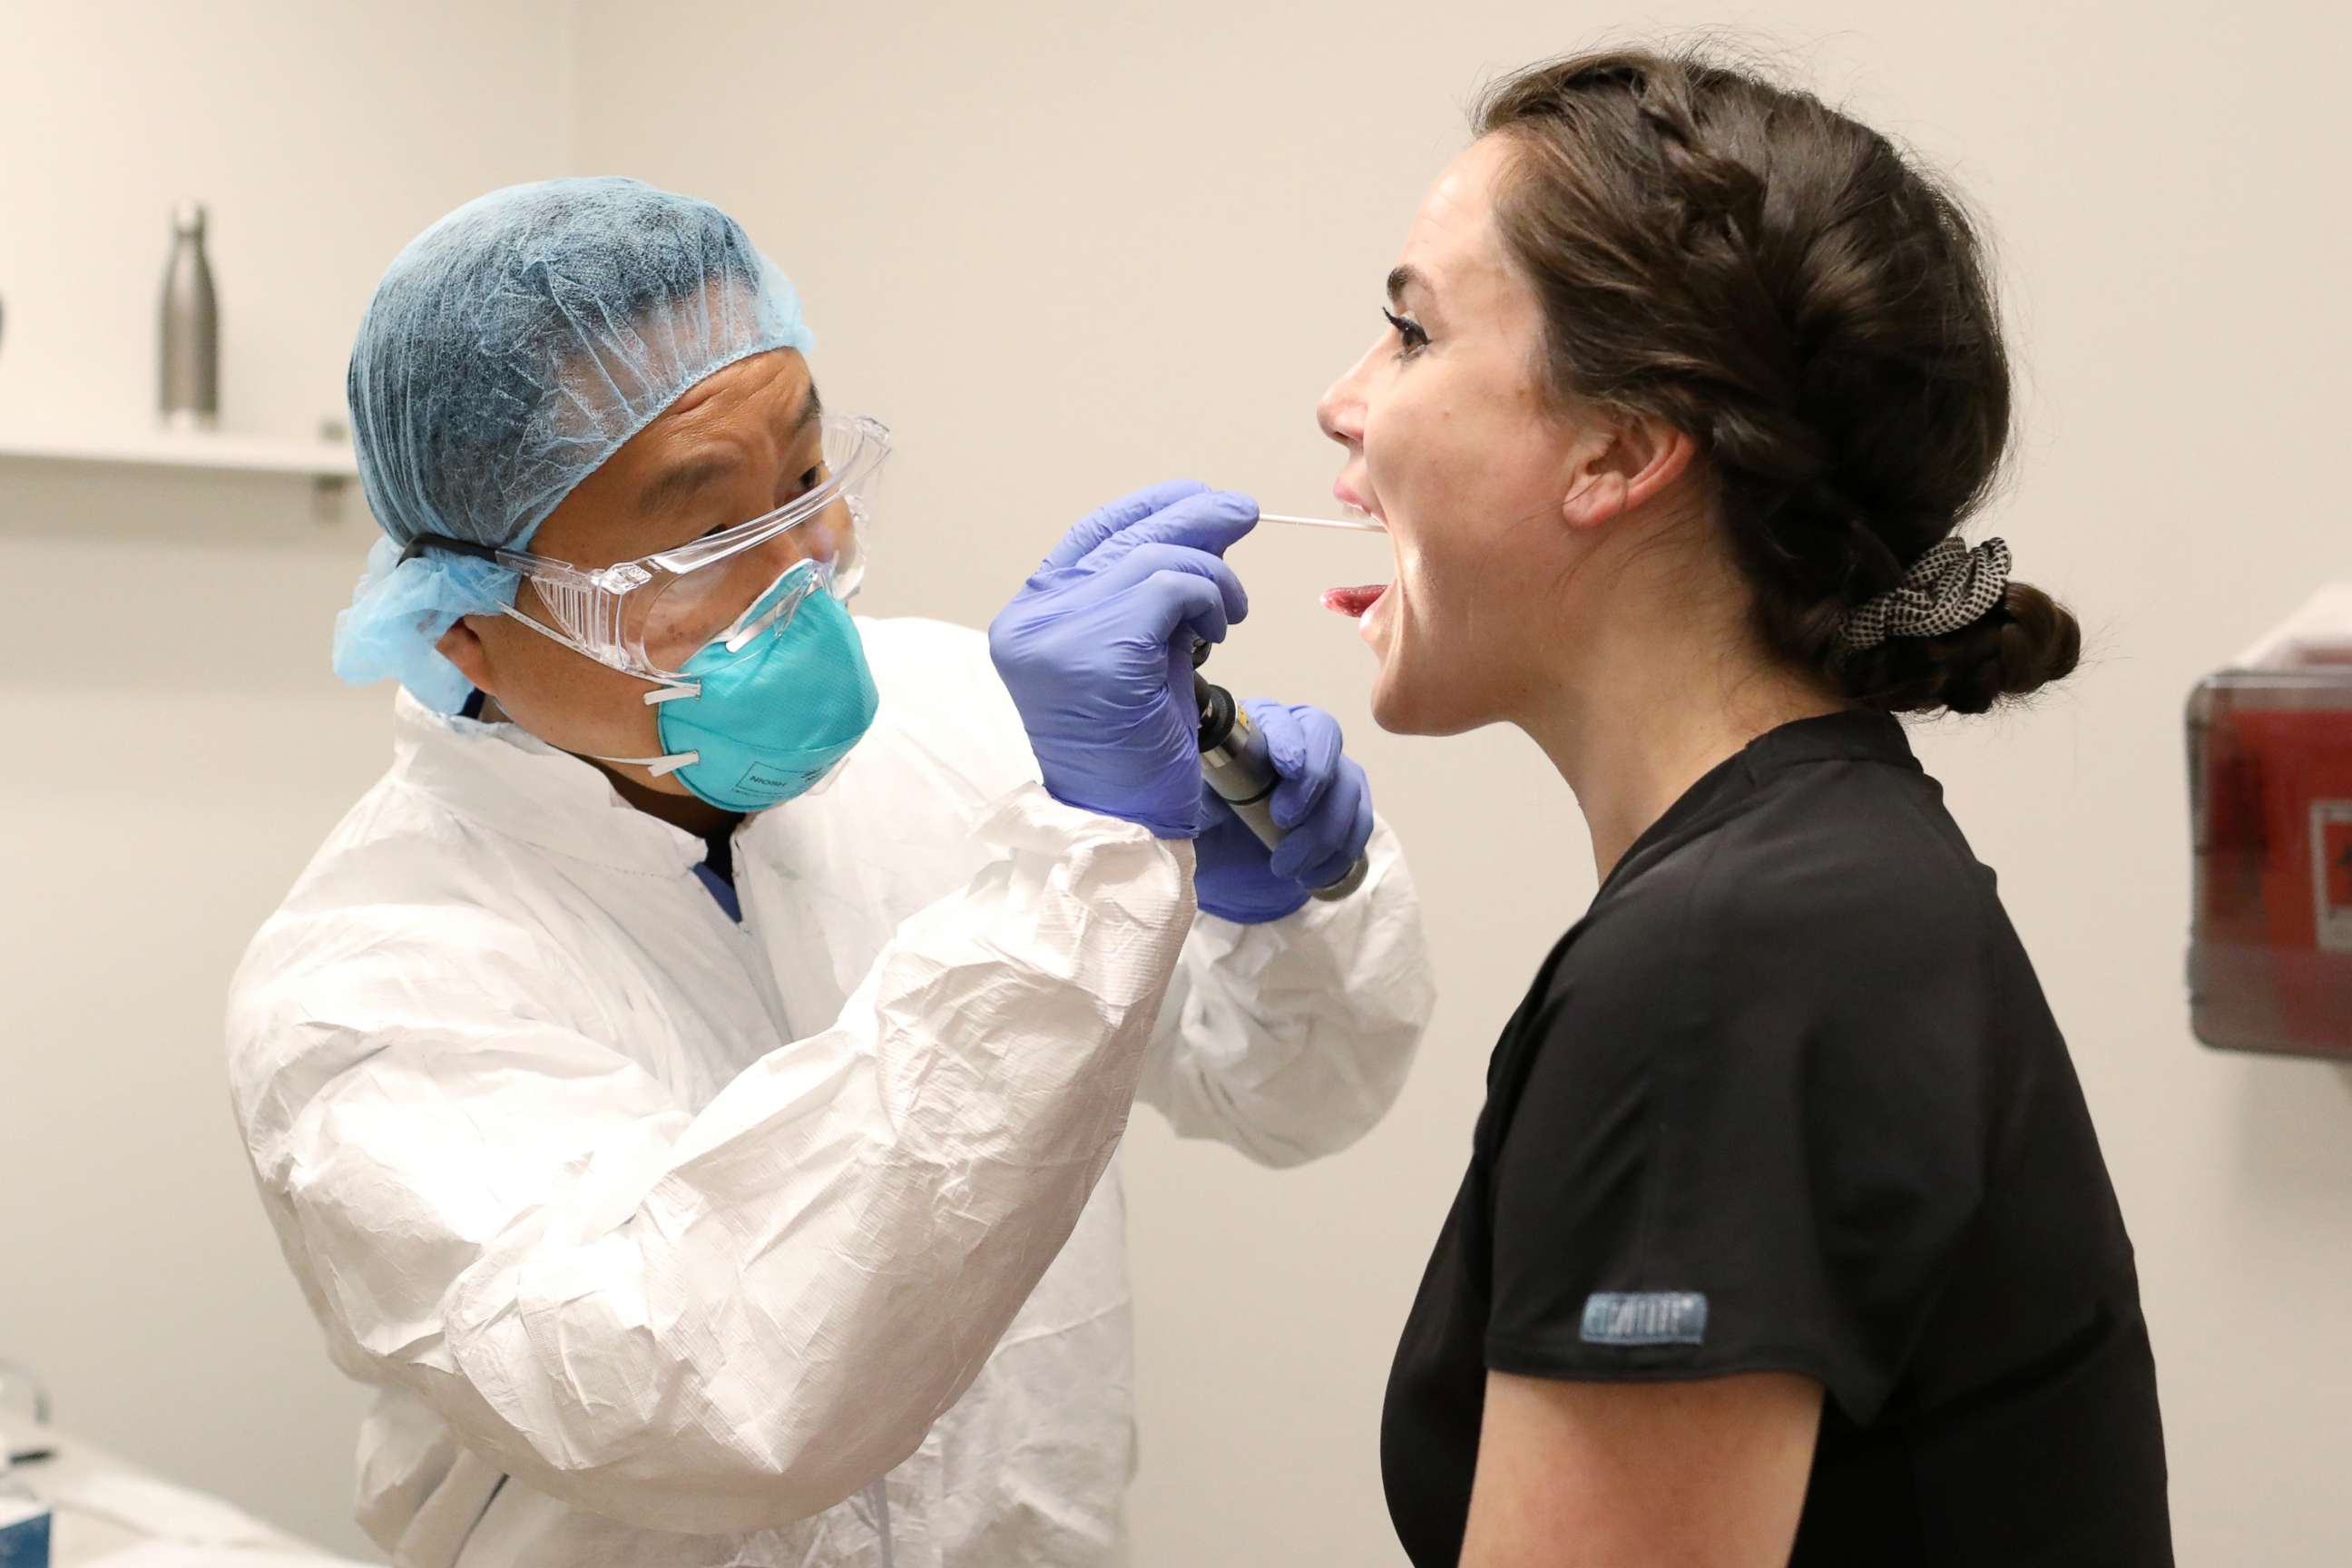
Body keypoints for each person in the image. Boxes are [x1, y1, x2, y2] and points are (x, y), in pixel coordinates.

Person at [226, 177, 1433, 1568]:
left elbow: (1291, 1094)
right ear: (463, 629)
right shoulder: (370, 987)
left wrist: (1282, 904)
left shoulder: (972, 722)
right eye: (703, 540)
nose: (807, 566)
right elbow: (712, 1391)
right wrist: (1081, 866)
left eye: (805, 483)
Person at [1315, 48, 2171, 1567]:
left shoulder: (1730, 963)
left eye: (1408, 334)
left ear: (1624, 450)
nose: (1344, 407)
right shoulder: (1816, 882)